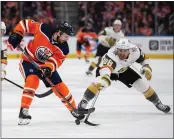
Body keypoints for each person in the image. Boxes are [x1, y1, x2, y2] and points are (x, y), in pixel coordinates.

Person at [8, 19, 85, 125]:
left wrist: (47, 68)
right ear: (59, 33)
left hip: (45, 66)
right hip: (28, 60)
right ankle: (23, 111)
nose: (67, 39)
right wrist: (17, 33)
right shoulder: (44, 28)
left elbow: (56, 61)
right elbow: (26, 24)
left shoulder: (64, 48)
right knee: (32, 80)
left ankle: (73, 109)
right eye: (66, 36)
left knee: (59, 85)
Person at [78, 38, 171, 116]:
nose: (122, 53)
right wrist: (104, 80)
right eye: (120, 50)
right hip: (107, 70)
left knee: (143, 85)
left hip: (124, 70)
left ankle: (158, 103)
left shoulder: (136, 51)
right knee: (97, 83)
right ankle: (83, 102)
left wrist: (147, 68)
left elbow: (145, 59)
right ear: (116, 49)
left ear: (129, 50)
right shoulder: (111, 55)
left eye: (125, 51)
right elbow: (106, 70)